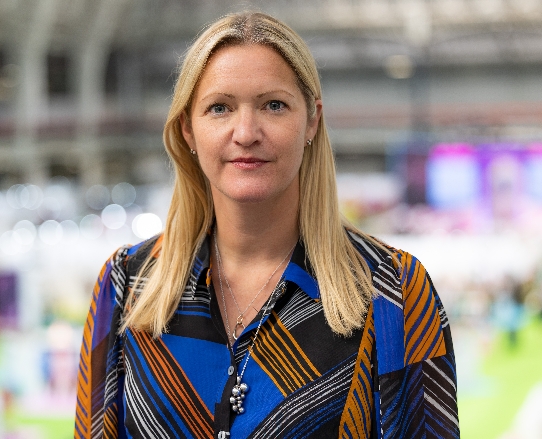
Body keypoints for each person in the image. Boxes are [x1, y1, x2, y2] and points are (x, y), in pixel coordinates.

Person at [74, 12, 459, 439]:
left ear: (311, 120)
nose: (246, 132)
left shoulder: (394, 292)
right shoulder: (127, 283)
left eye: (273, 105)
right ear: (187, 128)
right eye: (219, 108)